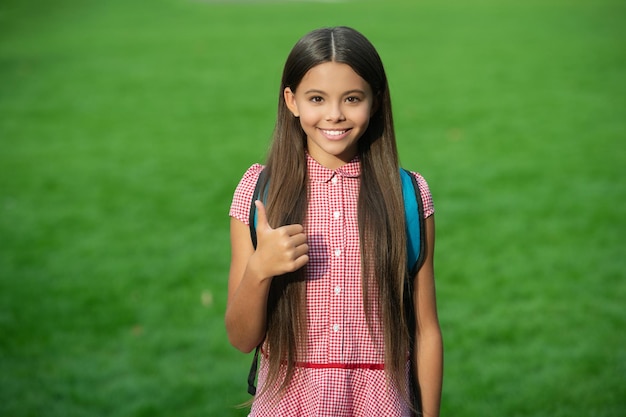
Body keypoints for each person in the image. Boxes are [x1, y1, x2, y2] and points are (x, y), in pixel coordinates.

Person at [225, 26, 443, 417]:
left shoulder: (407, 193)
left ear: (376, 101)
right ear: (291, 101)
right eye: (317, 98)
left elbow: (426, 330)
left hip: (382, 405)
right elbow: (241, 338)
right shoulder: (261, 191)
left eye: (352, 98)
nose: (335, 114)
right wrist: (260, 269)